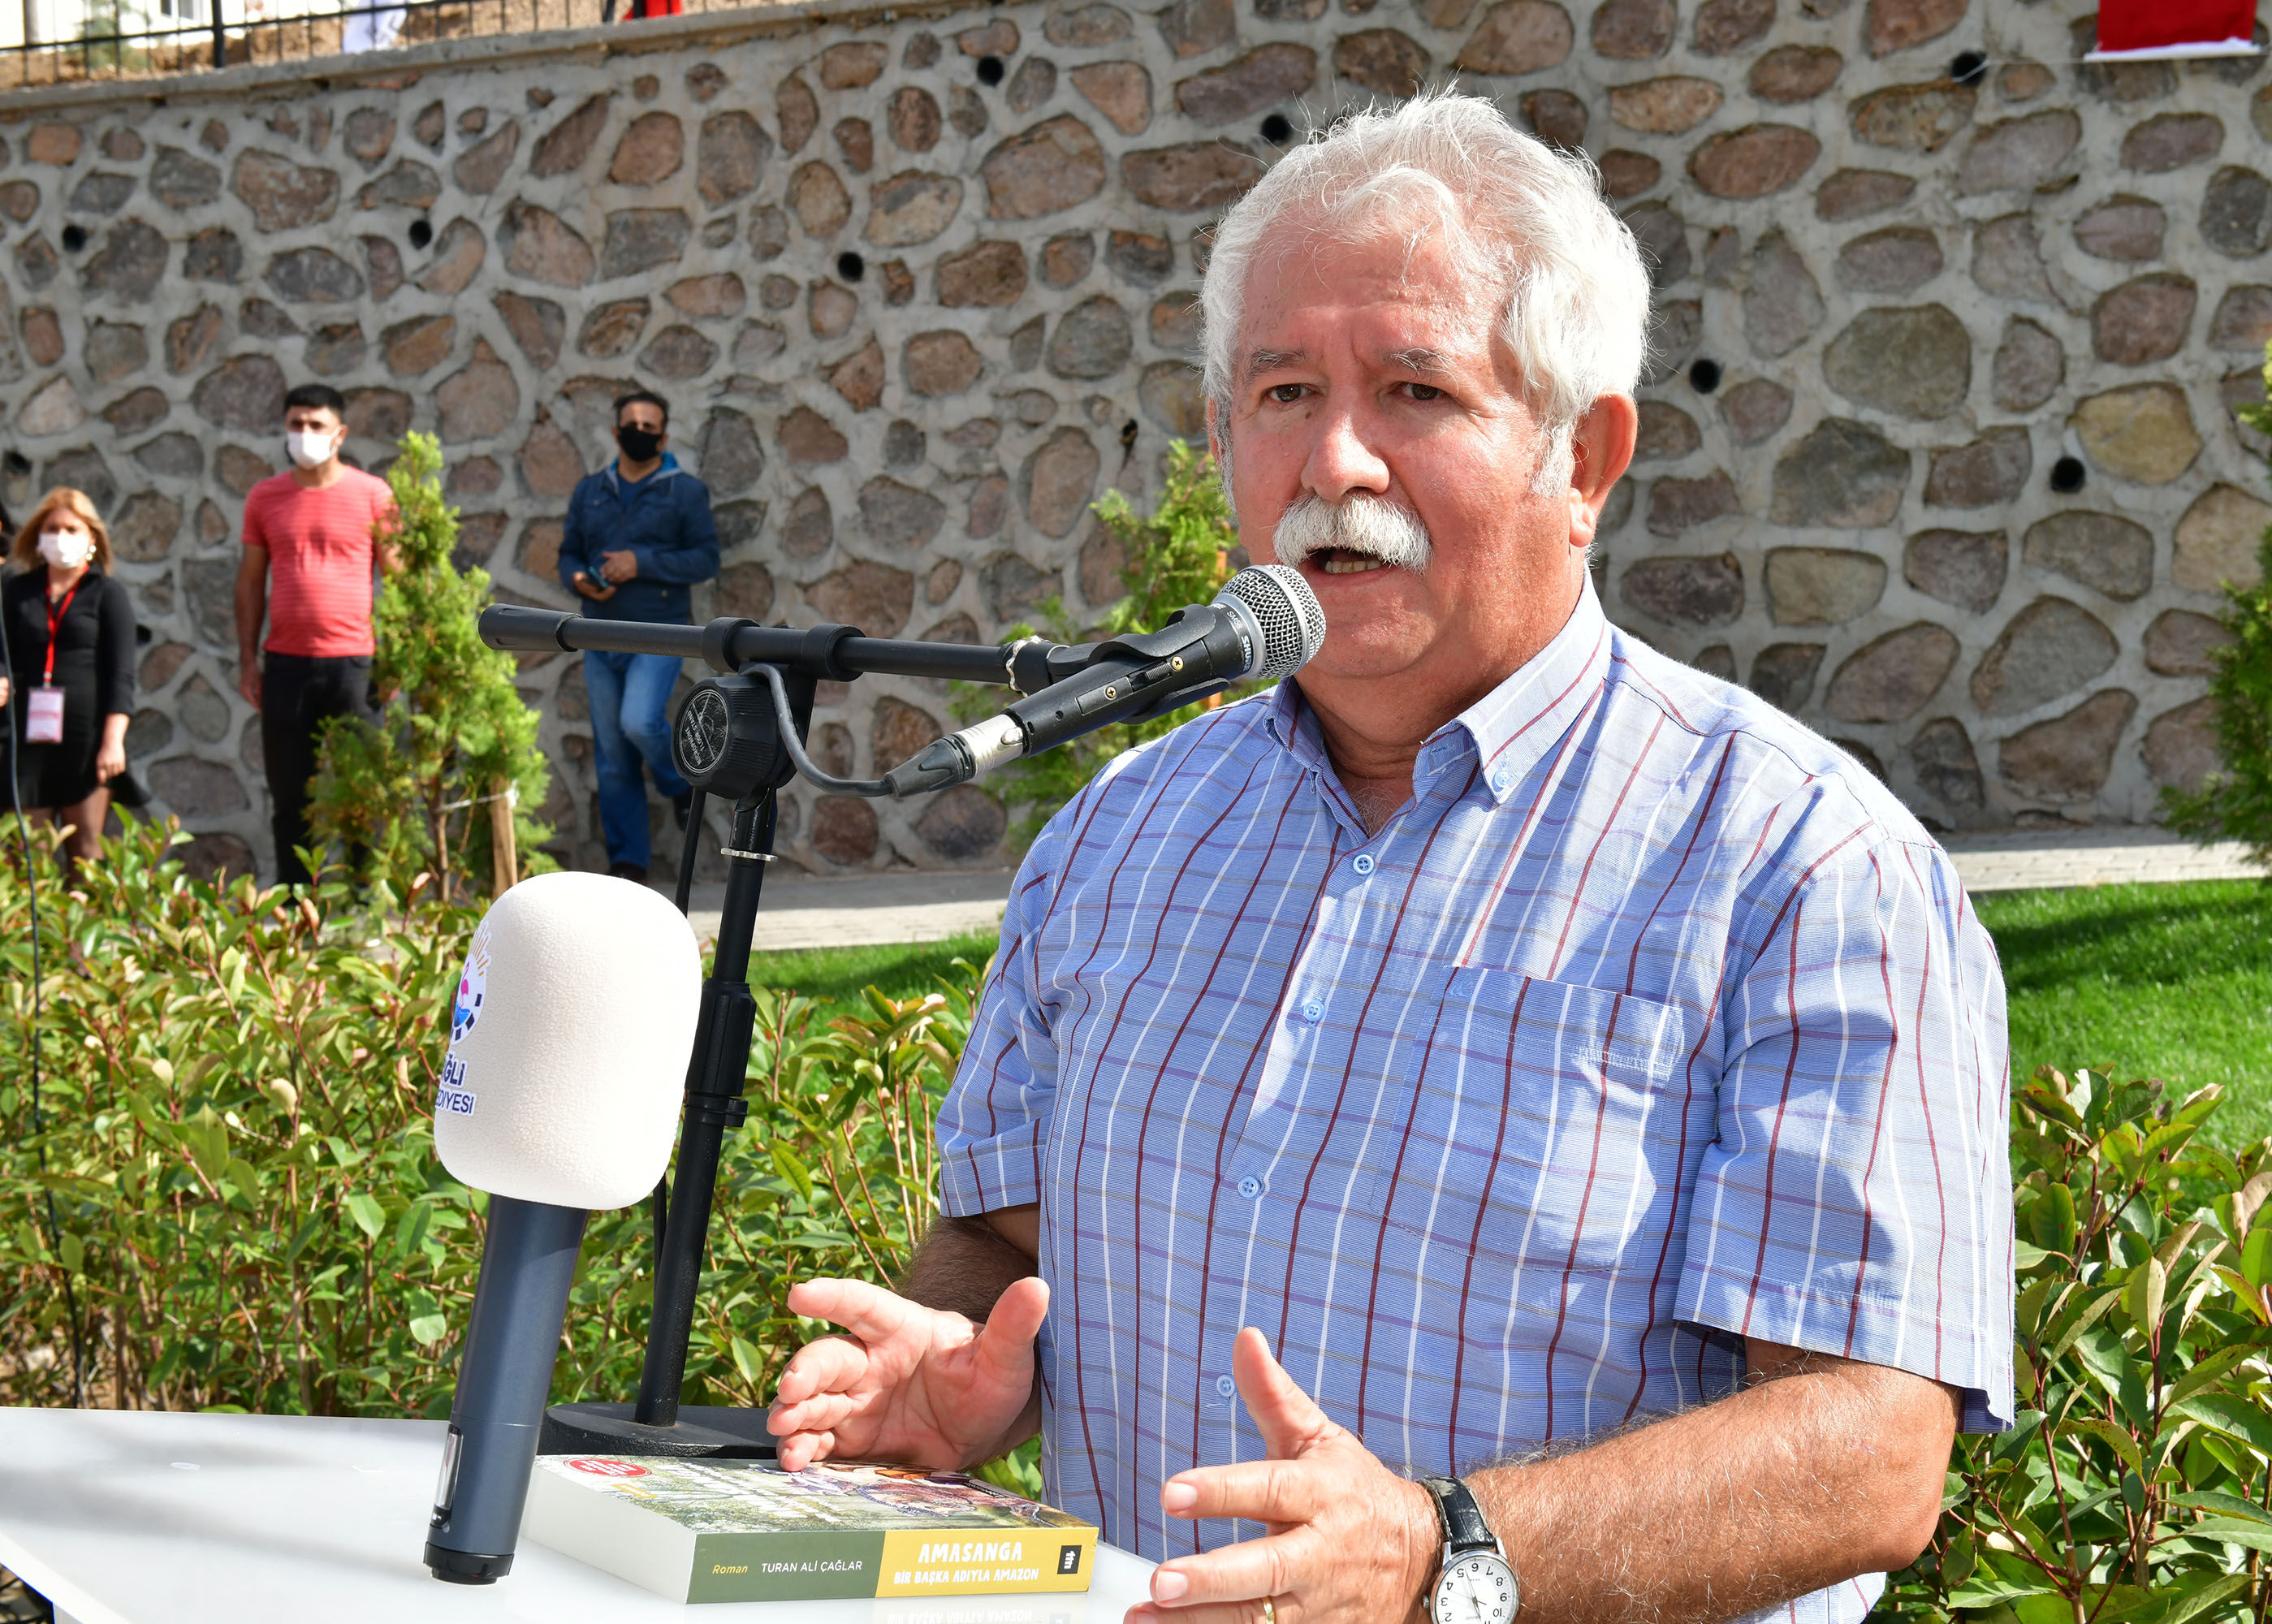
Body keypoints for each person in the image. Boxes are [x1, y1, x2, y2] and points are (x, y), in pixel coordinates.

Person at [763, 92, 2013, 1624]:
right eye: (1283, 392)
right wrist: (957, 1364)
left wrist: (1442, 1553)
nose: (1333, 461)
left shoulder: (1803, 870)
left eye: (1417, 391)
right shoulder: (1119, 834)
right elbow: (1003, 1230)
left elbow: (1870, 1452)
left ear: (1584, 459)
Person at [235, 383, 399, 887]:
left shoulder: (373, 494)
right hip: (286, 665)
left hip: (357, 665)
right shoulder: (265, 497)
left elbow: (400, 579)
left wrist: (396, 657)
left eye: (316, 425)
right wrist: (247, 660)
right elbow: (250, 582)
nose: (304, 433)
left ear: (340, 434)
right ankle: (295, 906)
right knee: (291, 797)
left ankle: (365, 902)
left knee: (363, 793)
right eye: (296, 424)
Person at [555, 389, 716, 884]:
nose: (639, 433)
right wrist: (578, 579)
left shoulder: (685, 491)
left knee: (639, 723)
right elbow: (568, 553)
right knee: (612, 759)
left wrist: (639, 563)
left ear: (663, 438)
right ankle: (629, 865)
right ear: (615, 432)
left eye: (650, 427)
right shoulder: (590, 490)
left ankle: (681, 783)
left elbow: (705, 559)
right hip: (599, 633)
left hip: (660, 633)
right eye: (631, 425)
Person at [0, 488, 136, 864]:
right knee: (26, 851)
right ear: (38, 536)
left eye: (72, 529)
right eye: (52, 528)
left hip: (85, 739)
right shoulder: (18, 591)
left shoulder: (107, 594)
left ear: (92, 538)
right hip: (29, 737)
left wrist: (113, 741)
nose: (61, 537)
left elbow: (122, 673)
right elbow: (3, 650)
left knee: (86, 851)